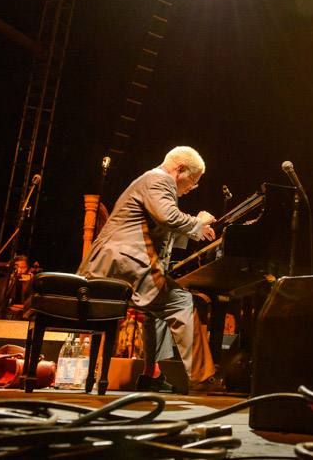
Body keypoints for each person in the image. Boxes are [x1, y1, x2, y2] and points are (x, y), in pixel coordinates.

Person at [77, 146, 218, 393]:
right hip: (122, 265)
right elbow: (167, 218)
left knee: (158, 310)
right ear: (180, 169)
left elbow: (160, 226)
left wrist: (196, 231)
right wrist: (198, 222)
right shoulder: (159, 179)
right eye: (193, 182)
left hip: (117, 265)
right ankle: (203, 379)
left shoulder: (151, 181)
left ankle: (151, 373)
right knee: (183, 302)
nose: (191, 189)